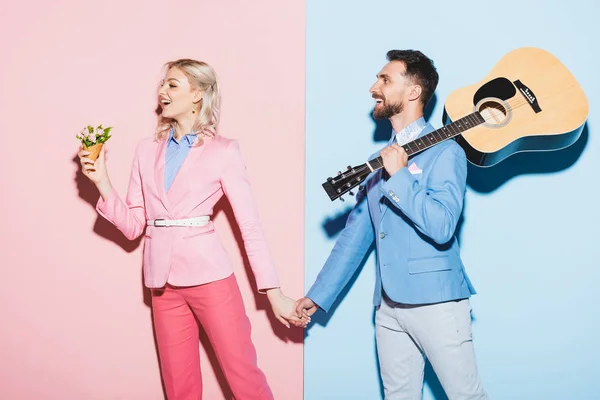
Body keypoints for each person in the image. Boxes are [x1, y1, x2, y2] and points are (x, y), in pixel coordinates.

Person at [78, 58, 305, 400]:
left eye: (172, 84)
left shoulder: (223, 151)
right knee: (179, 387)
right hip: (161, 283)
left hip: (211, 279)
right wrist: (102, 182)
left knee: (243, 377)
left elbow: (250, 227)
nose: (162, 92)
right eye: (162, 84)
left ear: (198, 94)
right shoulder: (146, 150)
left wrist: (273, 293)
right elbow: (133, 227)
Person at [295, 50, 488, 399]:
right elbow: (355, 236)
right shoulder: (374, 163)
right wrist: (318, 295)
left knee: (466, 396)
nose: (374, 87)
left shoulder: (447, 151)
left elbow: (442, 226)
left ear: (413, 92)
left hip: (437, 303)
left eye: (385, 79)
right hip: (387, 307)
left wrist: (399, 176)